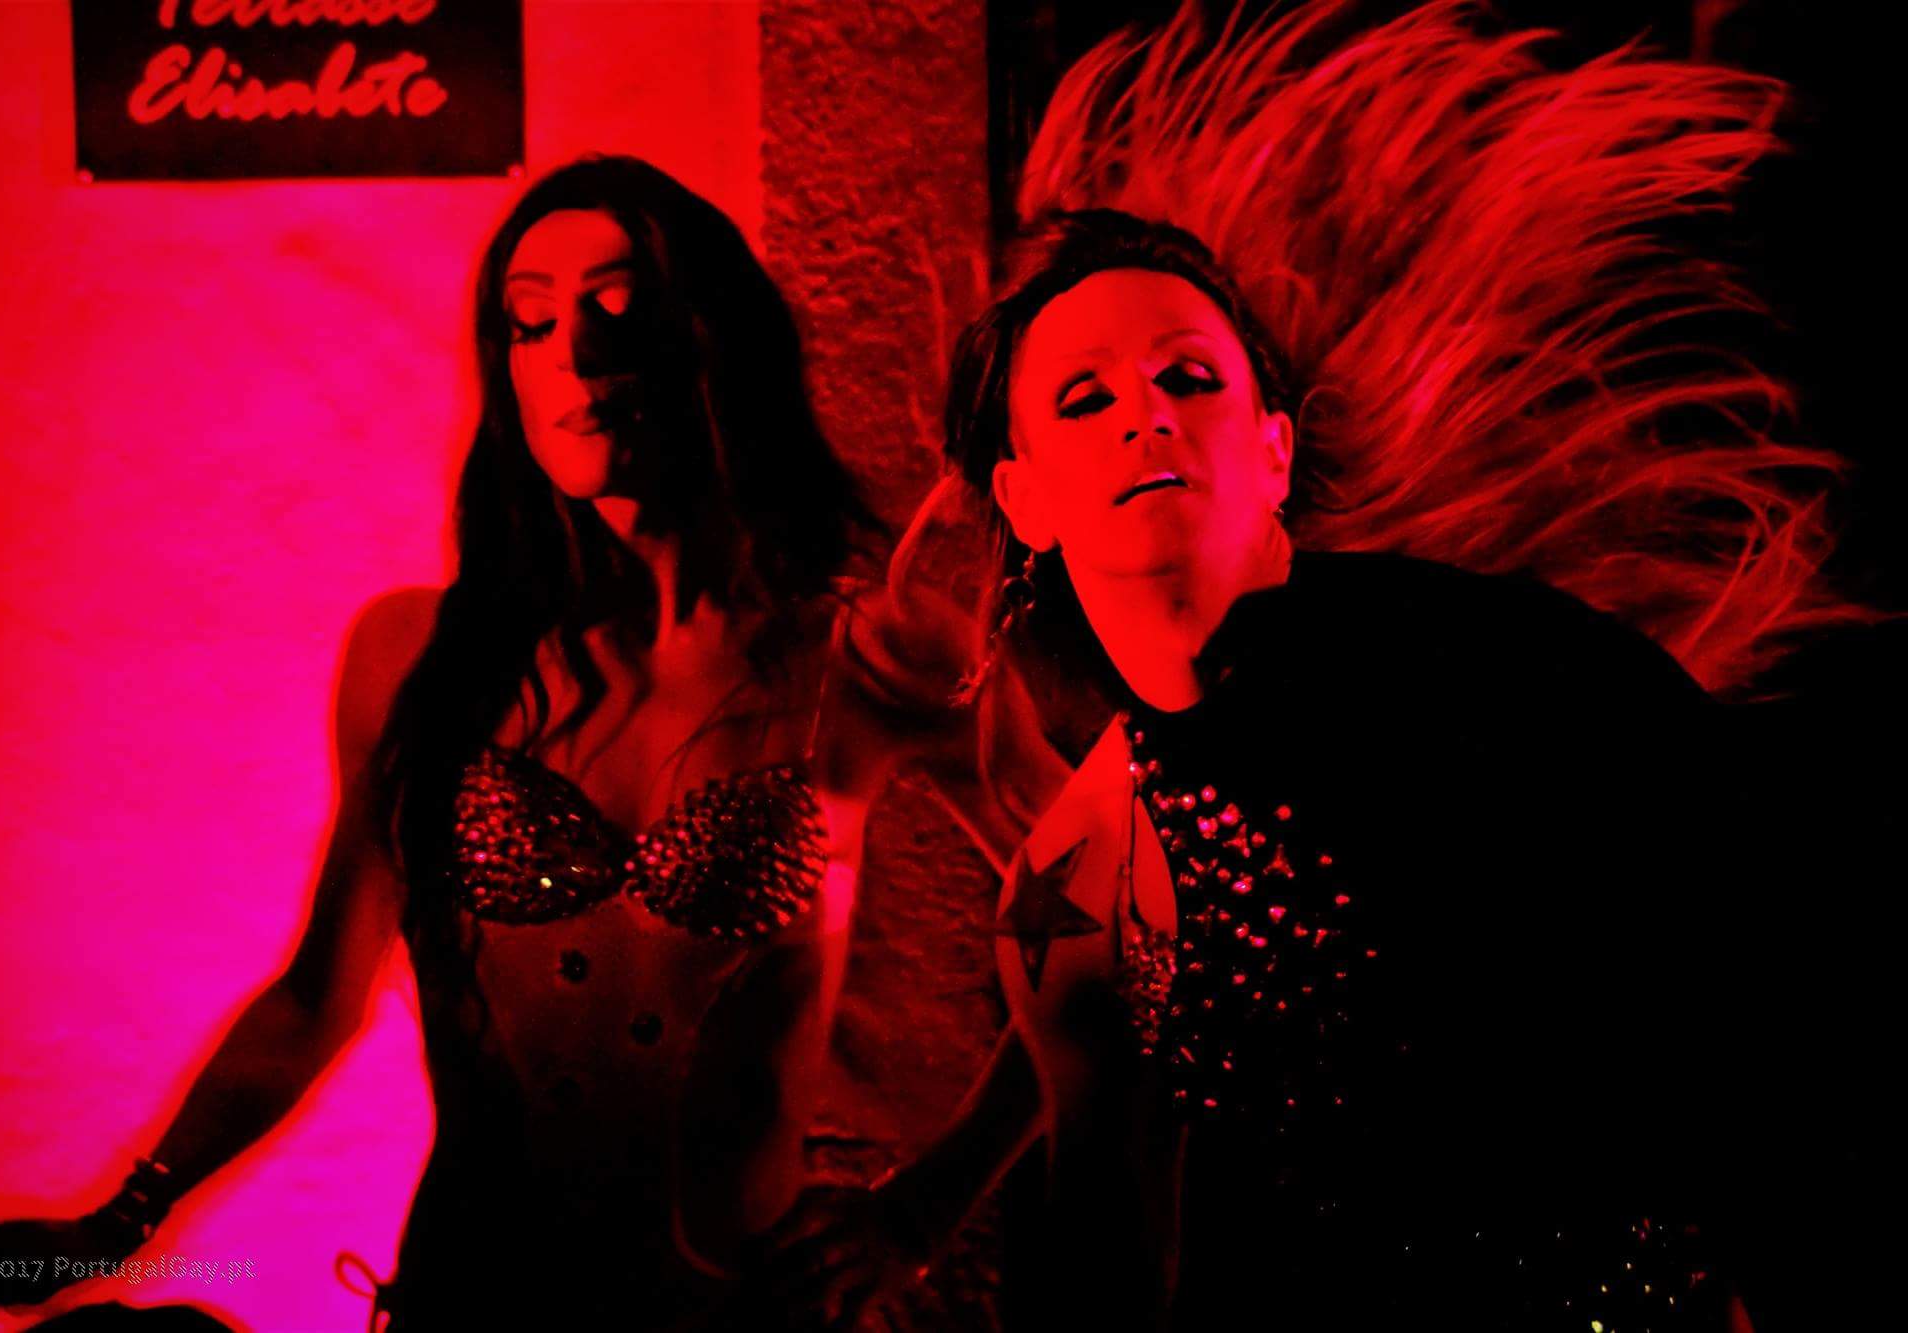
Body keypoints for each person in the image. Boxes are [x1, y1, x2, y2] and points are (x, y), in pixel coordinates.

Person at [765, 4, 1859, 1328]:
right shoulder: (1083, 867)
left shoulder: (1500, 671)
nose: (1144, 413)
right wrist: (920, 1207)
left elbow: (1768, 990)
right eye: (1083, 399)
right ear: (1024, 498)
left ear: (1275, 451)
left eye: (1188, 377)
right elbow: (1110, 1234)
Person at [0, 155, 1055, 1330]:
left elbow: (1127, 918)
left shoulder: (861, 655)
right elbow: (318, 997)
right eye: (530, 322)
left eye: (618, 307)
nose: (574, 354)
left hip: (735, 1312)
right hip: (469, 1300)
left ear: (711, 337)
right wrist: (119, 1223)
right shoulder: (419, 657)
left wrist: (923, 1209)